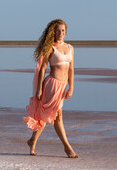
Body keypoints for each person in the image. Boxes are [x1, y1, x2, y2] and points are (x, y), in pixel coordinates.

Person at [23, 19, 78, 158]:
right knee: (57, 117)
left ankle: (32, 141)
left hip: (63, 86)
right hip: (52, 85)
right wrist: (39, 89)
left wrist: (71, 87)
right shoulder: (50, 47)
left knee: (46, 116)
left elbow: (71, 69)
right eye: (58, 31)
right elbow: (43, 68)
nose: (61, 33)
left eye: (63, 31)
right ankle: (67, 147)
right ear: (54, 32)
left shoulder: (70, 48)